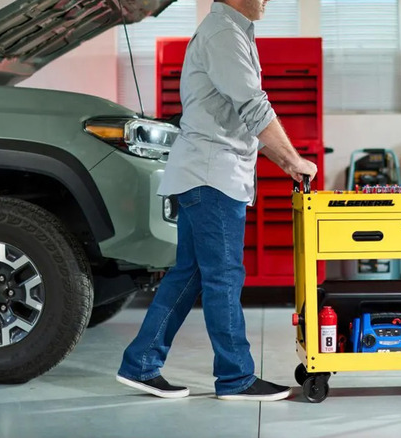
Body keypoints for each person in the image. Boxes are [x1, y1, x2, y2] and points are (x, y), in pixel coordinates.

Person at [116, 0, 318, 402]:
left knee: (189, 274)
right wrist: (294, 159)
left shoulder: (232, 31)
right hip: (212, 177)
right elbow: (253, 107)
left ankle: (140, 363)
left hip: (207, 175)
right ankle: (235, 377)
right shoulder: (224, 34)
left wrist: (285, 161)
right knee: (223, 277)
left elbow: (239, 116)